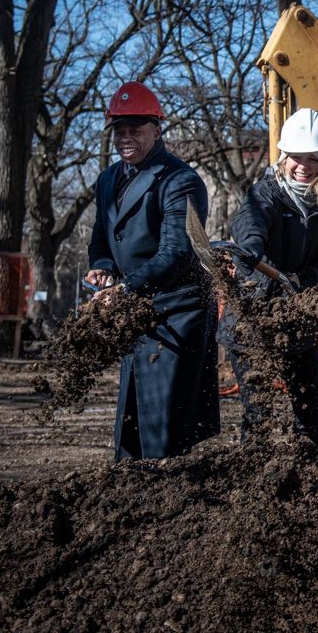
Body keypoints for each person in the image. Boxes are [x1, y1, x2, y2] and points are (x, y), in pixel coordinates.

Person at [86, 81, 219, 461]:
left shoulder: (181, 180)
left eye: (136, 130)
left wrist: (124, 289)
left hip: (178, 311)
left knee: (163, 425)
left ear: (157, 130)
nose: (126, 138)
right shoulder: (109, 179)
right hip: (137, 306)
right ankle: (132, 491)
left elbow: (177, 252)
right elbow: (102, 237)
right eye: (120, 130)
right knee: (131, 421)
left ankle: (172, 496)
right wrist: (102, 267)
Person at [217, 108, 318, 445]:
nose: (303, 166)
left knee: (307, 407)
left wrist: (298, 281)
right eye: (296, 158)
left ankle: (309, 471)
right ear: (283, 158)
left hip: (298, 314)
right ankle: (254, 475)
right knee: (258, 409)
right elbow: (252, 221)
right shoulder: (265, 192)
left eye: (313, 158)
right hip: (252, 314)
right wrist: (252, 247)